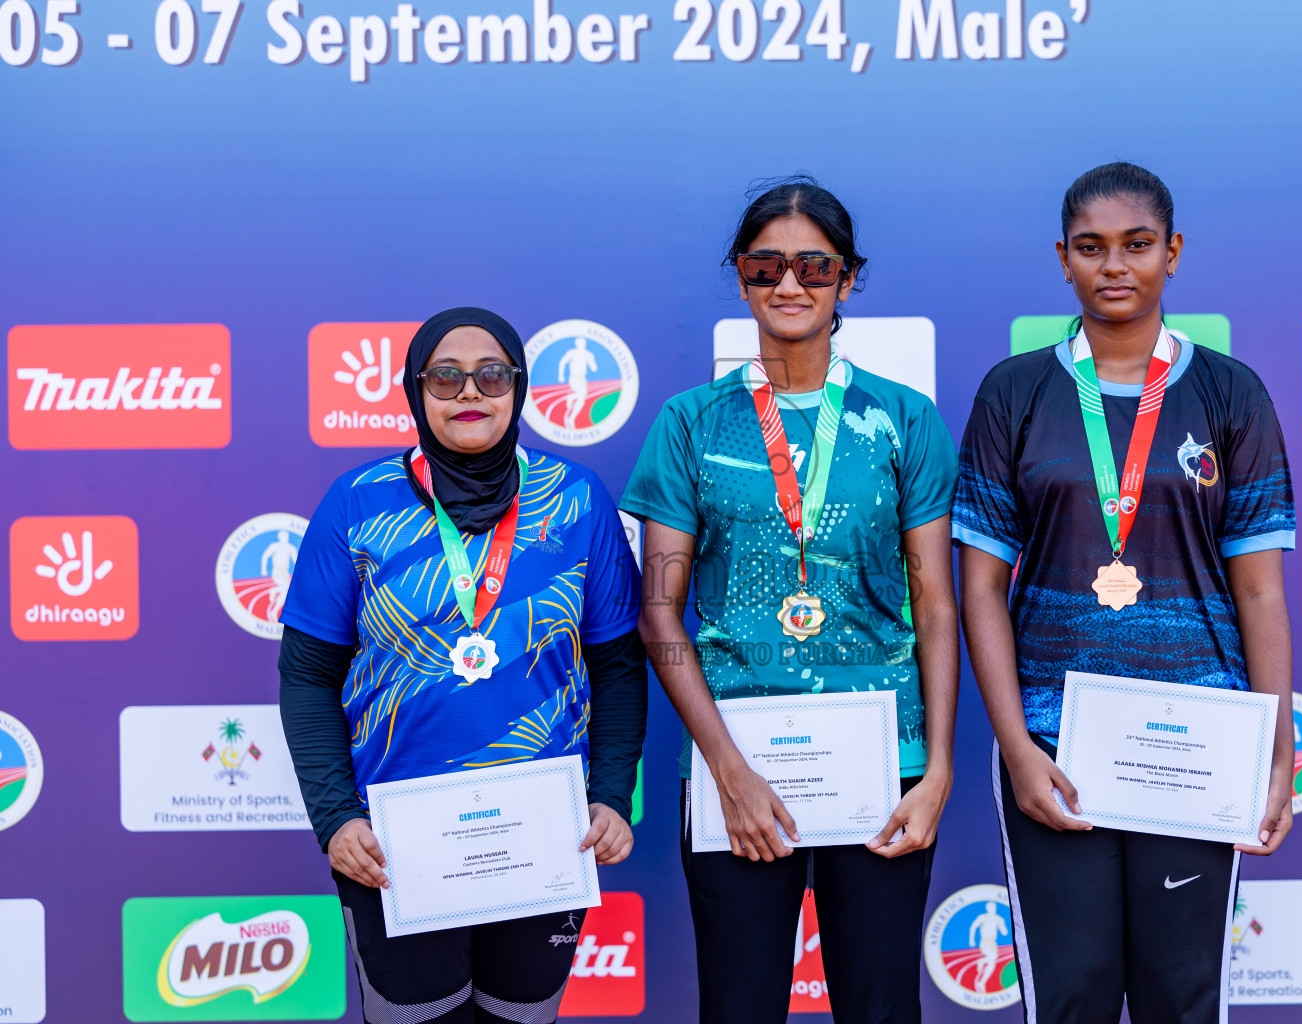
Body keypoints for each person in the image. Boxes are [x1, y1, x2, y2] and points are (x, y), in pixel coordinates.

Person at [953, 163, 1296, 1024]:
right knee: (1071, 997)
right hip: (1054, 742)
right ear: (1061, 259)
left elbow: (1258, 592)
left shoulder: (1231, 392)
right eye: (1091, 248)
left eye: (1137, 246)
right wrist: (1016, 746)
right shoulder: (1015, 392)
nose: (1115, 267)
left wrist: (1277, 747)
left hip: (1199, 739)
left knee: (1183, 999)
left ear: (1172, 253)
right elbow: (981, 590)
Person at [621, 176, 960, 1023]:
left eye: (814, 266)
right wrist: (727, 774)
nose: (789, 285)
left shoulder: (904, 419)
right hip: (741, 764)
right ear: (740, 278)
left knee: (881, 1010)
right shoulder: (692, 422)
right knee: (740, 1010)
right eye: (766, 265)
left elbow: (937, 605)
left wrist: (940, 768)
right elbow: (659, 612)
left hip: (887, 768)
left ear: (848, 280)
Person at [278, 307, 646, 1024]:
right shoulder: (357, 504)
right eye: (446, 376)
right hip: (395, 847)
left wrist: (609, 796)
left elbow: (619, 666)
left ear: (520, 388)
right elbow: (307, 675)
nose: (469, 392)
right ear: (416, 391)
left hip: (544, 840)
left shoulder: (576, 500)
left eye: (492, 375)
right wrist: (335, 819)